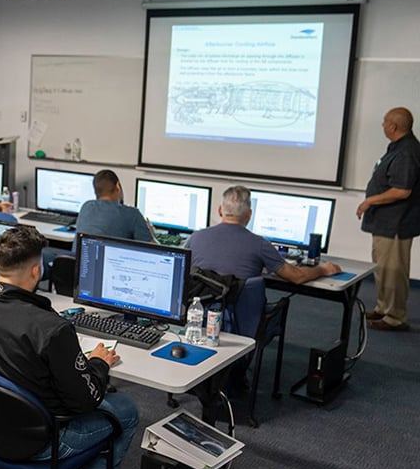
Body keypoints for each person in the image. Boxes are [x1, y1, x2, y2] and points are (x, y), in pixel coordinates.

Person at [0, 226, 137, 469]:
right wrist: (98, 362)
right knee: (126, 410)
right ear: (37, 271)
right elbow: (86, 400)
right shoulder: (51, 328)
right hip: (40, 443)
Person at [187, 186, 341, 284]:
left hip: (199, 312)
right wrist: (323, 270)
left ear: (220, 210)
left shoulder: (196, 237)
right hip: (240, 316)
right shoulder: (259, 244)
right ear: (249, 215)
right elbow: (297, 276)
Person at [356, 107, 420, 331]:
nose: (383, 125)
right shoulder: (398, 148)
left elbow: (402, 190)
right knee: (382, 268)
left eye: (385, 122)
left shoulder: (407, 152)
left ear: (394, 126)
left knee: (393, 271)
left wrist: (370, 201)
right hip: (385, 222)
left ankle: (395, 317)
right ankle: (383, 308)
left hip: (396, 224)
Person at [75, 169, 154, 242]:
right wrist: (150, 233)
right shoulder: (132, 214)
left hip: (82, 257)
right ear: (118, 186)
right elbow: (153, 249)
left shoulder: (86, 207)